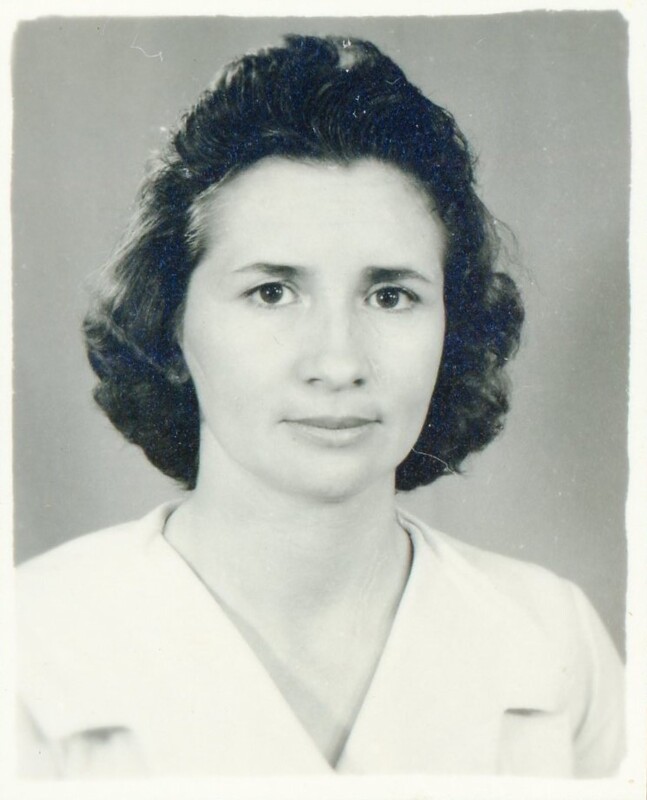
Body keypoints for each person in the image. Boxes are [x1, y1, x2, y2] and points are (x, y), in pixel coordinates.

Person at [16, 34, 624, 778]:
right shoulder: (31, 646)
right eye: (271, 292)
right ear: (171, 322)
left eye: (390, 296)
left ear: (453, 325)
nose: (339, 364)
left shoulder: (554, 643)